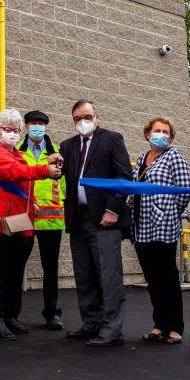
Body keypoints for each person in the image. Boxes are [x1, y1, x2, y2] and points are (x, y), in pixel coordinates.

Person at [0, 108, 62, 340]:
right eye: (7, 129)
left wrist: (32, 202)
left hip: (19, 220)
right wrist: (44, 169)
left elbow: (24, 183)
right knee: (0, 268)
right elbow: (15, 172)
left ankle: (11, 316)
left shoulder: (14, 152)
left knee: (15, 271)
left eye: (15, 130)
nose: (12, 134)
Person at [59, 100, 133, 348]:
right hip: (78, 219)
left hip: (104, 219)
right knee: (85, 274)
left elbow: (124, 177)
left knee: (108, 275)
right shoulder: (67, 146)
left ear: (97, 117)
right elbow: (66, 178)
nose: (83, 122)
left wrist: (113, 209)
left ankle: (112, 329)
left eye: (87, 116)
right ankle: (91, 322)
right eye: (77, 118)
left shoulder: (112, 139)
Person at [130, 117, 190, 345]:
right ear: (148, 134)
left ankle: (175, 327)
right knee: (152, 278)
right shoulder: (141, 159)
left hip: (163, 226)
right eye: (157, 130)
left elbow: (184, 189)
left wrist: (167, 212)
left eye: (166, 132)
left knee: (167, 277)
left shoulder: (174, 156)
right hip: (141, 226)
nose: (161, 134)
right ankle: (159, 324)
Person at [18, 110, 66, 330]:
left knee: (50, 268)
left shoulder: (58, 152)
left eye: (41, 124)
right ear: (26, 127)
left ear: (46, 127)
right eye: (33, 123)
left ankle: (52, 313)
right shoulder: (17, 152)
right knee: (16, 266)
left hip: (51, 219)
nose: (38, 127)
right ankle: (12, 314)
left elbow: (65, 185)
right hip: (24, 217)